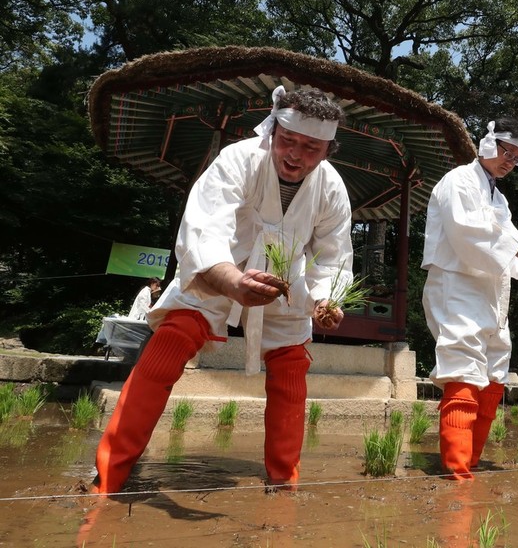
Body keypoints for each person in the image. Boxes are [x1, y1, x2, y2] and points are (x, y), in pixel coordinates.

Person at [92, 85, 354, 494]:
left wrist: (327, 300)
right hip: (220, 269)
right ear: (272, 131)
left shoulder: (331, 188)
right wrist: (231, 280)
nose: (296, 155)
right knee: (169, 345)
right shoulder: (238, 159)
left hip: (286, 284)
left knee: (290, 370)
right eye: (288, 141)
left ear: (328, 149)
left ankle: (284, 482)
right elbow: (206, 225)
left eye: (312, 148)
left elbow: (334, 255)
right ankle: (108, 477)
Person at [422, 117, 518, 480]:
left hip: (493, 291)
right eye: (505, 150)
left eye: (516, 157)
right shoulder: (458, 181)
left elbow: (511, 244)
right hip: (457, 284)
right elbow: (467, 235)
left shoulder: (499, 197)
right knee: (463, 367)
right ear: (486, 143)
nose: (508, 160)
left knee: (495, 370)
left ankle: (472, 459)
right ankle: (456, 468)